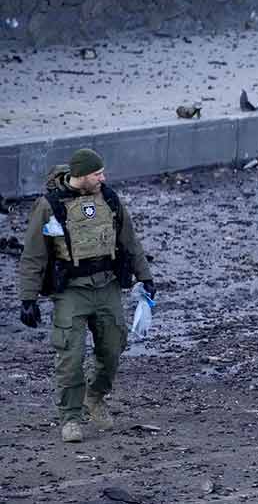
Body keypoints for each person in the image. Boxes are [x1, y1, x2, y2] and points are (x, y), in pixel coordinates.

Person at [17, 148, 155, 443]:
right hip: (71, 292)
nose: (103, 178)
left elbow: (129, 240)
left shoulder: (110, 199)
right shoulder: (49, 205)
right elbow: (33, 255)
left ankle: (95, 397)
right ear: (80, 176)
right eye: (97, 174)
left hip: (107, 286)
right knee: (70, 355)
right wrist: (27, 299)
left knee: (113, 347)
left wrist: (146, 277)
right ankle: (70, 417)